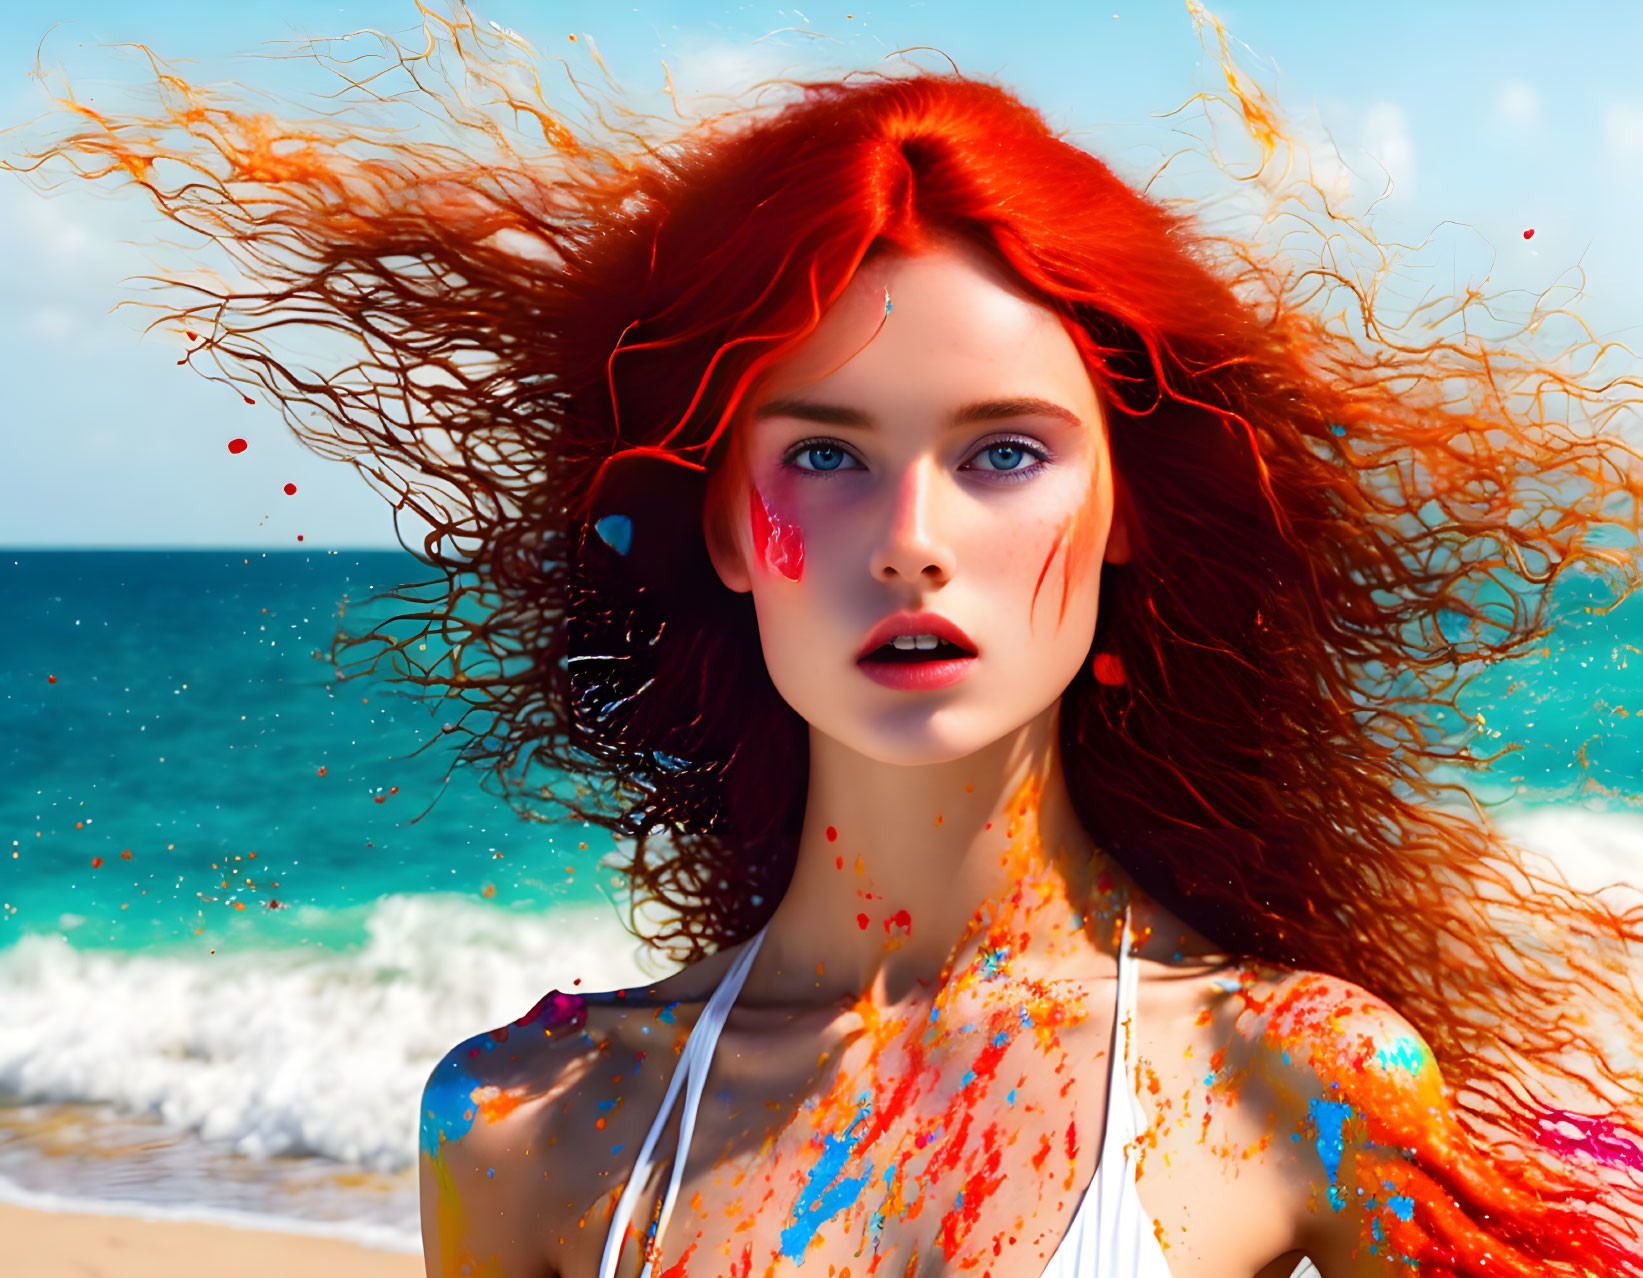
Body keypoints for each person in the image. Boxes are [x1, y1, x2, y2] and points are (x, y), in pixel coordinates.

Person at [19, 10, 1643, 1276]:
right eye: (824, 454)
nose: (912, 534)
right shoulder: (533, 1121)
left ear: (1131, 508)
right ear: (726, 523)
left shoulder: (1293, 1080)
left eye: (1005, 449)